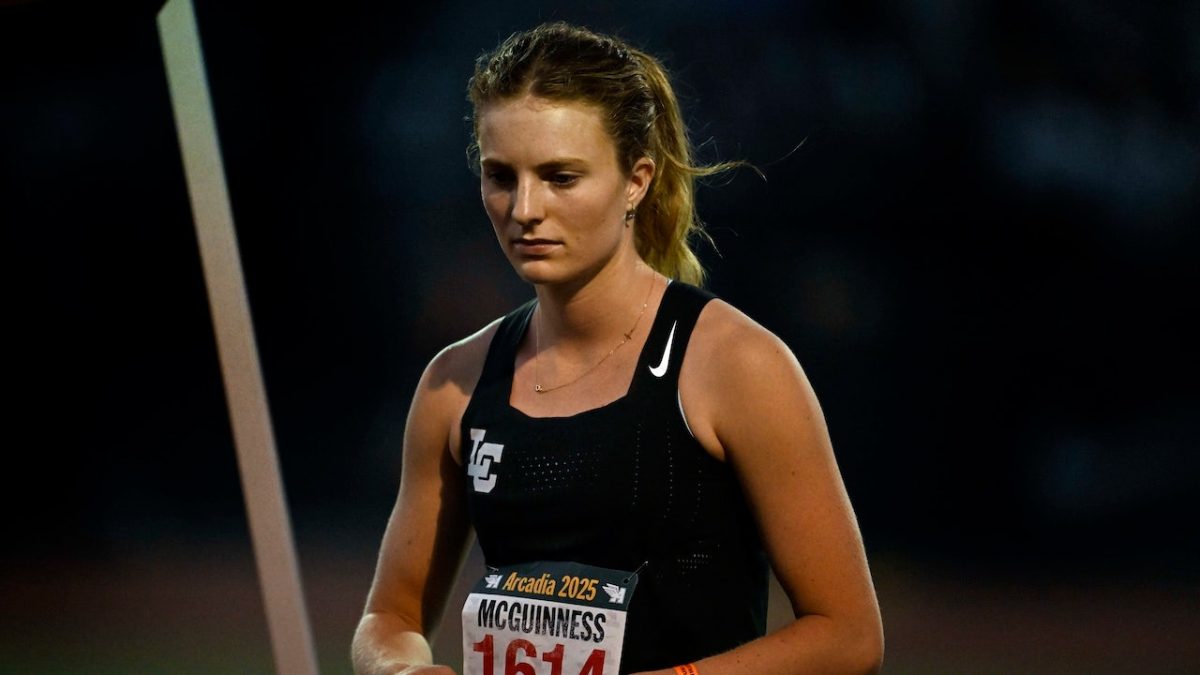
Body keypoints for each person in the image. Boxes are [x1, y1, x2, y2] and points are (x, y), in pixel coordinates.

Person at [352, 22, 883, 675]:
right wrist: (400, 670)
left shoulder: (736, 366)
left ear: (637, 180)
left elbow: (849, 636)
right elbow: (390, 618)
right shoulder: (455, 382)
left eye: (560, 177)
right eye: (500, 176)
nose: (524, 208)